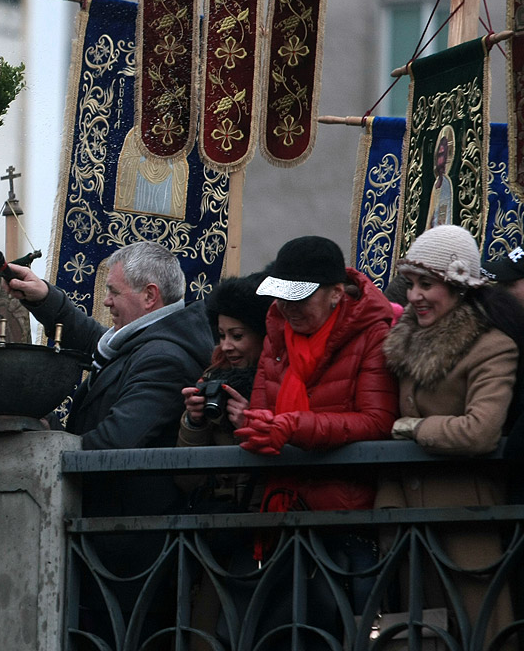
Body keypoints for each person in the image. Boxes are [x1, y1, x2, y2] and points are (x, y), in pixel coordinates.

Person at [5, 240, 214, 647]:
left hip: (131, 560)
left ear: (149, 296)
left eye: (114, 292)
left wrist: (48, 446)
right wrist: (47, 299)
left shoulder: (163, 357)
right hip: (115, 550)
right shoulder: (152, 340)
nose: (106, 302)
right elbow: (102, 344)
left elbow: (114, 441)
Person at [233, 235, 399, 647]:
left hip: (347, 519)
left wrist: (292, 427)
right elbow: (262, 409)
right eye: (282, 297)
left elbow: (378, 421)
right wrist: (251, 425)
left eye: (300, 298)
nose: (288, 308)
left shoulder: (373, 335)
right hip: (281, 517)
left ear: (336, 295)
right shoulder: (276, 335)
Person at [378, 225, 518, 645]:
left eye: (428, 284)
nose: (415, 295)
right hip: (406, 516)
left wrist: (417, 428)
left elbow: (481, 430)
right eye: (412, 284)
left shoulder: (491, 346)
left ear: (459, 287)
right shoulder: (405, 341)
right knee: (419, 635)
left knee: (483, 629)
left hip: (464, 513)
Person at [177, 270, 274, 509]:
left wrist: (250, 426)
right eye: (221, 336)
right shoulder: (212, 380)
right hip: (217, 523)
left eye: (237, 336)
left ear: (263, 336)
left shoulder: (282, 382)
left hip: (269, 522)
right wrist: (193, 423)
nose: (227, 346)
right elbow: (186, 480)